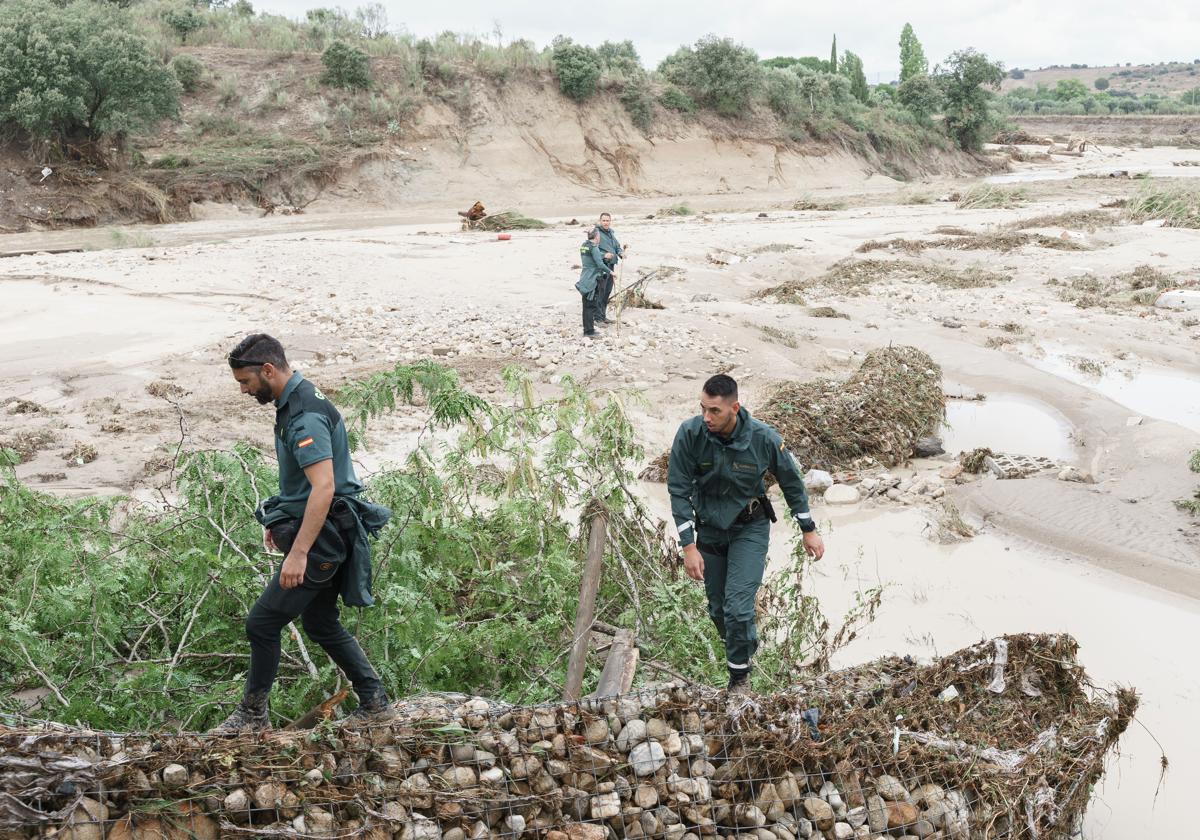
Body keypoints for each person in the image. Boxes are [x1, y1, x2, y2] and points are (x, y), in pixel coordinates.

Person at [213, 334, 393, 732]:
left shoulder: (304, 416)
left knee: (261, 623)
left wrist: (299, 553)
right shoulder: (297, 400)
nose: (243, 391)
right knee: (321, 623)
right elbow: (304, 483)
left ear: (268, 370)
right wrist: (282, 516)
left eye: (245, 382)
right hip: (321, 532)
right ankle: (376, 703)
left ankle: (252, 717)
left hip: (324, 539)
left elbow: (324, 487)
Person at [667, 374, 824, 694]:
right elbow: (678, 490)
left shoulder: (763, 438)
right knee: (718, 611)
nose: (706, 418)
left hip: (749, 529)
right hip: (709, 529)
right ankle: (745, 643)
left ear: (734, 408)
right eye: (703, 409)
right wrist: (688, 546)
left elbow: (792, 484)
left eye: (714, 411)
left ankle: (739, 682)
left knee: (737, 609)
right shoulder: (690, 434)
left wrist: (808, 530)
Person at [576, 228, 612, 340]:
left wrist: (603, 255)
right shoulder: (594, 247)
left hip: (584, 277)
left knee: (586, 305)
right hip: (592, 279)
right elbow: (600, 264)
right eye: (599, 236)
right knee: (590, 306)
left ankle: (588, 329)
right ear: (597, 237)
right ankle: (589, 331)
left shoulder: (584, 245)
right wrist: (611, 272)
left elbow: (593, 256)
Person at [594, 212, 626, 324]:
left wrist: (621, 253)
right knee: (600, 292)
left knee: (607, 292)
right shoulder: (596, 233)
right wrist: (603, 255)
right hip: (601, 266)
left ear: (610, 221)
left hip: (611, 265)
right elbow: (591, 249)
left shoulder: (611, 233)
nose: (606, 223)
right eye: (604, 220)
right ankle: (597, 318)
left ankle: (603, 316)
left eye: (608, 221)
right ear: (600, 221)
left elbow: (617, 246)